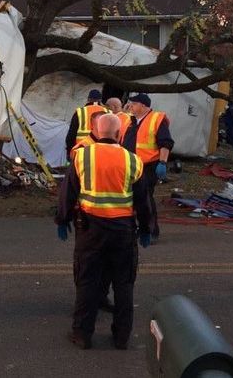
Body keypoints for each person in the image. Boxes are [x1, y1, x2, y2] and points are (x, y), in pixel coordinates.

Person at [56, 113, 150, 350]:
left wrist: (62, 219)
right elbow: (143, 200)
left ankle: (82, 334)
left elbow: (68, 192)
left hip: (90, 229)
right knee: (123, 283)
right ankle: (121, 337)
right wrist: (148, 228)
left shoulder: (81, 156)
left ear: (96, 133)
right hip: (123, 231)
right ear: (119, 135)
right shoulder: (133, 160)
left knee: (87, 281)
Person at [121, 94, 173, 240]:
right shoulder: (129, 121)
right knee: (129, 199)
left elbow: (166, 143)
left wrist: (162, 163)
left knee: (145, 198)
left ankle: (150, 231)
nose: (130, 106)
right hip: (129, 165)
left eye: (134, 104)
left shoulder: (157, 119)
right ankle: (134, 229)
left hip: (148, 166)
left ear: (143, 106)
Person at [65, 89, 109, 158]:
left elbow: (71, 135)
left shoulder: (80, 112)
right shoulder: (108, 113)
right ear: (100, 100)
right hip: (102, 153)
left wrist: (69, 151)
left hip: (81, 152)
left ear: (88, 99)